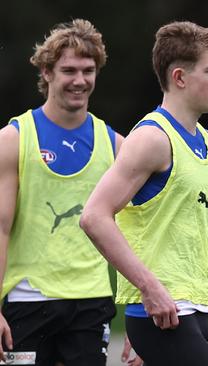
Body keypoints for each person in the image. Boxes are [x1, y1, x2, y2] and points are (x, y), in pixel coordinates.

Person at [80, 21, 208, 365]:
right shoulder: (151, 138)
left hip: (195, 308)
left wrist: (206, 279)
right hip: (162, 314)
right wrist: (148, 289)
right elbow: (94, 216)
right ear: (179, 77)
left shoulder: (204, 138)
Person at [0, 19, 121, 365]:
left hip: (91, 302)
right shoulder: (14, 139)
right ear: (47, 71)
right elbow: (1, 228)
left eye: (88, 70)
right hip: (27, 300)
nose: (80, 81)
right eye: (69, 70)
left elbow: (137, 232)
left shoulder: (116, 145)